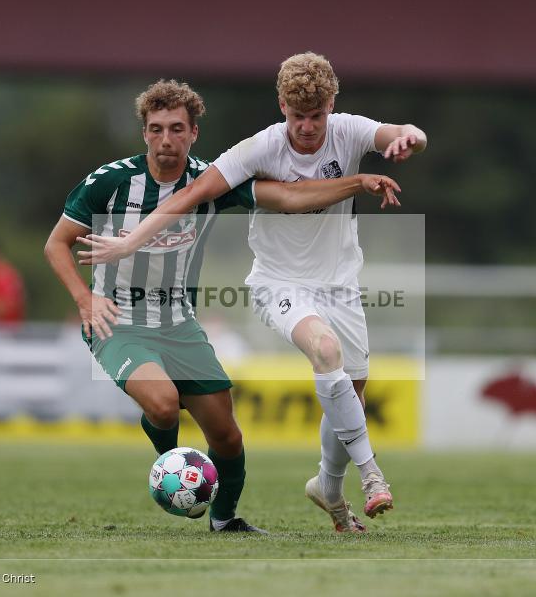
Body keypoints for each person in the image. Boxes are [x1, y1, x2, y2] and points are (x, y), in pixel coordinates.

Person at [78, 53, 426, 533]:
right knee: (325, 352)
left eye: (317, 116)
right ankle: (372, 477)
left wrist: (411, 137)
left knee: (351, 395)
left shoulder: (348, 129)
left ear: (332, 106)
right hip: (278, 283)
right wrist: (130, 241)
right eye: (297, 116)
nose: (307, 126)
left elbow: (396, 134)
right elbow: (190, 195)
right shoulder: (257, 149)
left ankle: (328, 486)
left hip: (341, 284)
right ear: (282, 105)